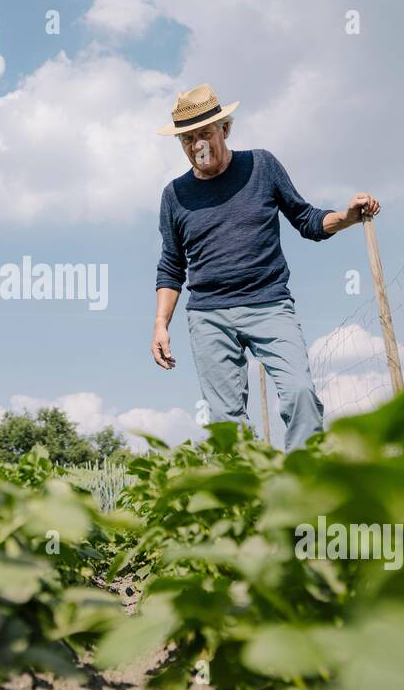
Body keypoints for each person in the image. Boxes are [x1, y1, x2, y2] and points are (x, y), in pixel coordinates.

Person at [151, 83, 381, 451]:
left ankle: (301, 490)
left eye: (204, 134)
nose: (197, 145)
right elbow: (171, 265)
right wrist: (161, 323)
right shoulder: (174, 195)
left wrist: (348, 217)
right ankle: (249, 503)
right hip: (208, 316)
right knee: (227, 423)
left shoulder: (261, 166)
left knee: (300, 393)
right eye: (187, 139)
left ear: (225, 130)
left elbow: (306, 220)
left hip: (269, 304)